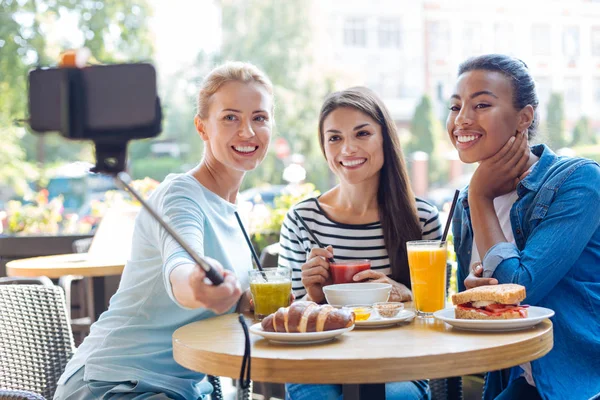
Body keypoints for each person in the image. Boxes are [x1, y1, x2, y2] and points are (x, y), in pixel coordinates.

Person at [54, 61, 275, 400]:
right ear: (202, 128)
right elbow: (182, 271)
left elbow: (238, 303)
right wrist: (199, 286)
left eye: (259, 117)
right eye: (230, 117)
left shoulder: (234, 211)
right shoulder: (180, 195)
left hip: (182, 389)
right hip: (115, 383)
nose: (247, 131)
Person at [447, 54, 600, 400]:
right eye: (455, 107)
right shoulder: (466, 200)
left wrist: (482, 198)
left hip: (579, 383)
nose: (462, 120)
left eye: (481, 104)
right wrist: (477, 298)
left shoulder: (578, 182)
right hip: (519, 381)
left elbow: (519, 289)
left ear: (524, 117)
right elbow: (474, 314)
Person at [279, 87, 441, 400]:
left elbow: (436, 315)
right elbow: (285, 319)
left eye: (362, 133)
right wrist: (313, 297)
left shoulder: (422, 218)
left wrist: (403, 294)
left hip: (398, 364)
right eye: (334, 138)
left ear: (386, 138)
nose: (348, 149)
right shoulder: (303, 219)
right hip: (316, 364)